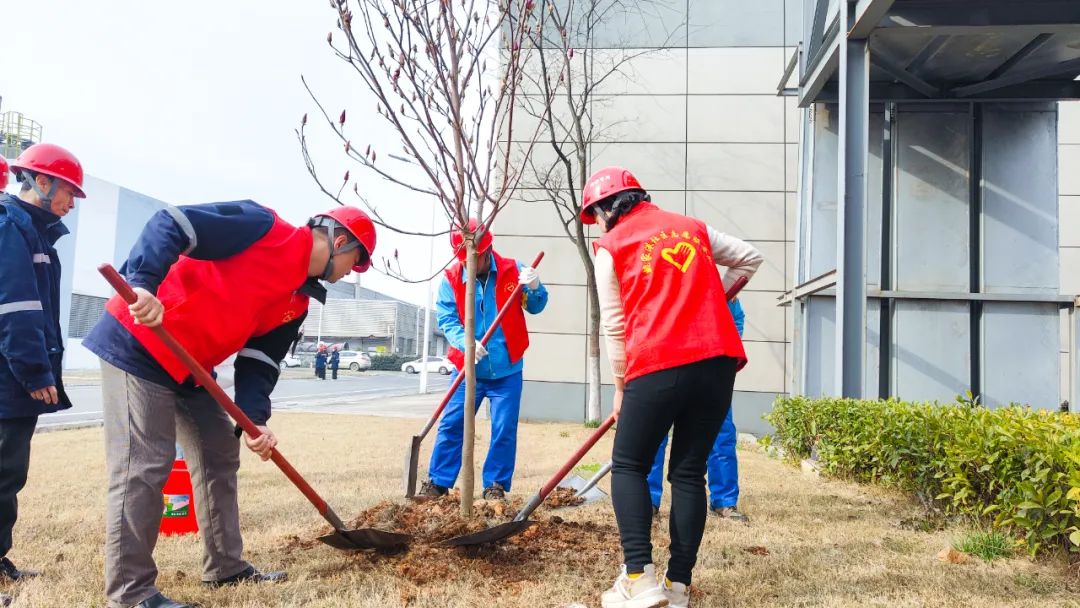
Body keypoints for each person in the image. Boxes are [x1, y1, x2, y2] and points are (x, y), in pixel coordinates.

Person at [82, 203, 376, 608]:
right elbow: (173, 223)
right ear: (339, 241)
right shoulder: (263, 227)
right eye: (353, 262)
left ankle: (225, 567)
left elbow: (260, 362)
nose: (349, 273)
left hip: (191, 367)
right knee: (145, 465)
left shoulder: (298, 301)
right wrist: (144, 282)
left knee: (220, 453)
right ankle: (131, 593)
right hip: (141, 343)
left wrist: (255, 420)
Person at [583, 167, 762, 608]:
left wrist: (621, 386)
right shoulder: (693, 229)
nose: (597, 224)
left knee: (627, 465)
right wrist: (713, 297)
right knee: (687, 472)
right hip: (717, 362)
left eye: (595, 215)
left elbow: (615, 323)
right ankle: (679, 586)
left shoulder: (612, 246)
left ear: (609, 208)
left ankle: (640, 580)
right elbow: (749, 257)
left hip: (658, 363)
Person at [0, 144, 86, 605]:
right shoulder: (11, 228)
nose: (71, 202)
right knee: (3, 472)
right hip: (8, 378)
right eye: (69, 192)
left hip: (12, 375)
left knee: (7, 472)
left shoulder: (30, 232)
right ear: (39, 181)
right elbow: (15, 309)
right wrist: (35, 373)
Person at [419, 219, 548, 500]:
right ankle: (438, 482)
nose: (470, 264)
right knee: (452, 423)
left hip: (507, 370)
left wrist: (535, 287)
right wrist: (466, 344)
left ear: (488, 250)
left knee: (503, 428)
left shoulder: (514, 270)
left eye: (475, 258)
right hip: (467, 369)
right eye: (465, 259)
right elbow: (447, 317)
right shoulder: (452, 278)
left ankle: (495, 485)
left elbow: (536, 306)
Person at [648, 298, 748, 523]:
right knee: (653, 437)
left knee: (722, 437)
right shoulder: (668, 282)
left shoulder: (720, 290)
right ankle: (648, 501)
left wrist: (721, 358)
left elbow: (736, 322)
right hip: (666, 369)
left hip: (709, 374)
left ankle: (724, 501)